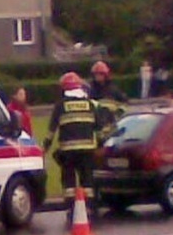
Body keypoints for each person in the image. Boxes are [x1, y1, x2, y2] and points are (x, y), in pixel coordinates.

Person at [43, 72, 100, 224]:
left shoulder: (60, 105)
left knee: (69, 181)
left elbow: (51, 130)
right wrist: (99, 146)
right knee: (87, 180)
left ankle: (71, 209)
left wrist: (45, 148)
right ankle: (88, 208)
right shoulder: (89, 104)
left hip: (68, 151)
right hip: (87, 150)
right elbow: (98, 127)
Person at [88, 60, 128, 140]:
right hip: (97, 127)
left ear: (105, 75)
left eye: (100, 74)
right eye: (96, 74)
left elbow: (124, 102)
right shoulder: (91, 90)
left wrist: (119, 112)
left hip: (112, 125)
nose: (98, 77)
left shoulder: (113, 89)